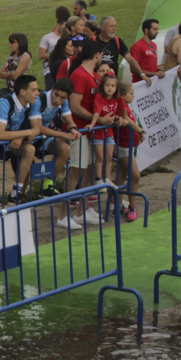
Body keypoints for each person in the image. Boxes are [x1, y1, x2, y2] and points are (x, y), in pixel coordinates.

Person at [0, 75, 41, 240]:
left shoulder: (30, 104)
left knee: (29, 149)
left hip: (5, 144)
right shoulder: (4, 103)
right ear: (22, 91)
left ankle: (16, 193)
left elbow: (35, 132)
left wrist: (20, 136)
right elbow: (1, 133)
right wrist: (25, 133)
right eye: (34, 90)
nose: (38, 93)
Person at [29, 78, 82, 227]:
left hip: (43, 138)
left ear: (67, 97)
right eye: (56, 95)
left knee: (65, 149)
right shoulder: (39, 100)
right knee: (25, 174)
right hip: (28, 137)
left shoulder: (63, 102)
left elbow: (69, 120)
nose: (58, 100)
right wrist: (65, 135)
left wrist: (73, 128)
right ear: (52, 89)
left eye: (62, 97)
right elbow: (39, 128)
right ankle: (19, 196)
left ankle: (48, 184)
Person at [66, 41, 105, 223]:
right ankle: (63, 215)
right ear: (97, 55)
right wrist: (97, 120)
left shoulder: (95, 76)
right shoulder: (80, 75)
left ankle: (82, 211)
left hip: (92, 131)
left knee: (88, 171)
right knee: (76, 172)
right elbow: (75, 106)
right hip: (81, 131)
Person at [113, 80, 146, 223]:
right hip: (123, 147)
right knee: (135, 176)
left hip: (128, 145)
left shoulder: (126, 106)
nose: (134, 96)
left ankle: (118, 205)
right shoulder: (121, 108)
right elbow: (129, 122)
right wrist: (140, 130)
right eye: (131, 93)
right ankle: (132, 207)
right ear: (122, 95)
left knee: (121, 175)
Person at [87, 73, 123, 184]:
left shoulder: (117, 98)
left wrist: (122, 119)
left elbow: (123, 109)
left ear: (116, 88)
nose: (110, 88)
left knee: (109, 156)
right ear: (103, 86)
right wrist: (92, 124)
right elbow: (97, 112)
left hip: (109, 132)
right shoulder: (99, 97)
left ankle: (107, 178)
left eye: (113, 86)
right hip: (98, 131)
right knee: (100, 156)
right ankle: (98, 179)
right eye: (107, 85)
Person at [95, 17, 149, 84]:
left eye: (115, 26)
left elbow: (130, 59)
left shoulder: (117, 41)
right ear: (103, 27)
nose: (114, 28)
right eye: (111, 26)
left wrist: (142, 74)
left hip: (113, 81)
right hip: (97, 81)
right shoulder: (93, 41)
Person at [38, 6, 71, 90]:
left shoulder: (69, 38)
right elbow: (41, 55)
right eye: (64, 26)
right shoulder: (47, 37)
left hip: (66, 69)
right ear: (58, 24)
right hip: (50, 70)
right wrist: (57, 56)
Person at [129, 19, 165, 84]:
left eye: (157, 29)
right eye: (154, 29)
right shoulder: (137, 46)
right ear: (146, 30)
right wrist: (154, 74)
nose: (157, 32)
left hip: (152, 83)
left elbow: (150, 65)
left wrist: (158, 71)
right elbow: (133, 69)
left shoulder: (154, 45)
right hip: (140, 83)